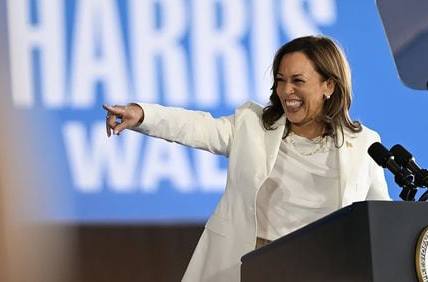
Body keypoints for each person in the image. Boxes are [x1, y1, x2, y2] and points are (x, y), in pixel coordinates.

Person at [103, 35, 391, 282]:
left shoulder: (364, 143)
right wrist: (144, 115)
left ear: (328, 85)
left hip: (320, 271)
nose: (286, 91)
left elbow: (381, 221)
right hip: (252, 266)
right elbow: (197, 127)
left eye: (298, 81)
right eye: (281, 80)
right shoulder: (253, 126)